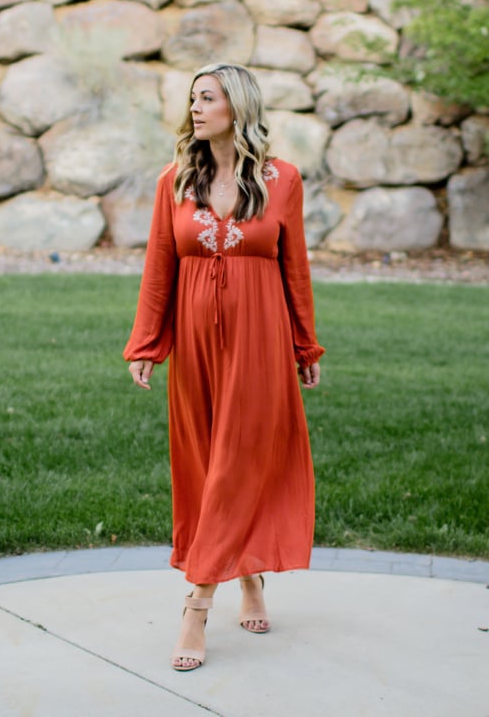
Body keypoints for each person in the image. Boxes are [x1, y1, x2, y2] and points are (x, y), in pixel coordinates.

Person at [123, 62, 325, 672]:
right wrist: (147, 344)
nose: (196, 108)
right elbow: (160, 265)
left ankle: (197, 604)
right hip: (193, 343)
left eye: (207, 98)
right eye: (193, 99)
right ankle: (251, 577)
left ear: (236, 106)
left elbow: (296, 269)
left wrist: (304, 344)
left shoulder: (281, 179)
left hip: (259, 340)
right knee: (208, 463)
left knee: (240, 457)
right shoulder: (176, 179)